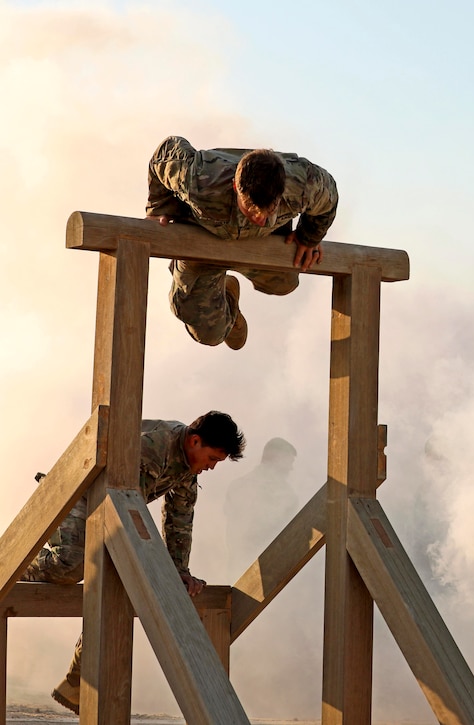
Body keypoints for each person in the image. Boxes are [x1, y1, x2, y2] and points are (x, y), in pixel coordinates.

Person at [22, 411, 246, 714]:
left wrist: (180, 571)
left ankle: (78, 680)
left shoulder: (187, 467)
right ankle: (9, 566)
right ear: (195, 441)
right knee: (69, 565)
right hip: (76, 491)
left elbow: (179, 522)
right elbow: (131, 512)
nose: (211, 467)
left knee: (116, 581)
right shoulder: (153, 448)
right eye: (212, 459)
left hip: (110, 506)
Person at [147, 135, 339, 350]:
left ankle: (236, 276)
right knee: (208, 332)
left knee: (285, 280)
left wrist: (309, 237)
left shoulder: (303, 183)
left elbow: (329, 197)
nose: (259, 218)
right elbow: (164, 153)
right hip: (203, 242)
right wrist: (159, 208)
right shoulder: (198, 178)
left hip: (262, 241)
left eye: (268, 211)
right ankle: (227, 298)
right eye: (251, 210)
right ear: (235, 187)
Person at [224, 437, 299, 574]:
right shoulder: (284, 494)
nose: (291, 468)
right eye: (289, 461)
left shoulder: (238, 485)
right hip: (267, 569)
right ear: (277, 458)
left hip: (239, 566)